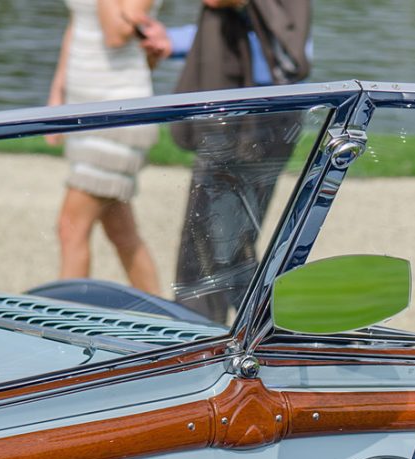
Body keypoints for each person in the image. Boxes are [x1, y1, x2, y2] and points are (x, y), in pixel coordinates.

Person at [137, 0, 312, 324]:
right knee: (222, 240)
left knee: (214, 243)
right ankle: (260, 329)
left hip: (257, 115)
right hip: (253, 108)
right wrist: (173, 40)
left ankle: (208, 335)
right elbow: (239, 25)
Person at [48, 0, 163, 295]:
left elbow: (116, 33)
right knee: (121, 233)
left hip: (117, 111)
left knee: (70, 227)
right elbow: (77, 22)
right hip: (83, 107)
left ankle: (63, 318)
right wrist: (58, 93)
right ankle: (164, 315)